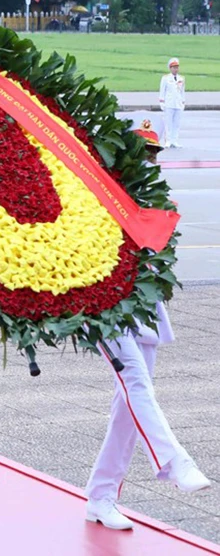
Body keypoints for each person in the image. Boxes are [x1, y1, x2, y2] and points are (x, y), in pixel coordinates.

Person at [83, 120, 210, 531]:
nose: (150, 163)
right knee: (135, 384)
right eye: (143, 154)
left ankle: (101, 496)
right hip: (105, 308)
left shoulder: (155, 199)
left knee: (128, 409)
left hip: (144, 311)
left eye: (154, 156)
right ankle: (175, 462)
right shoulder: (99, 196)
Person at [159, 57, 185, 148]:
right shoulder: (165, 78)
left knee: (176, 123)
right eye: (174, 67)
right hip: (169, 103)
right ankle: (168, 140)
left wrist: (183, 102)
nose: (175, 69)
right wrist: (161, 101)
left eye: (177, 67)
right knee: (168, 122)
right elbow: (162, 90)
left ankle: (175, 140)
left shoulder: (181, 78)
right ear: (170, 68)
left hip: (178, 103)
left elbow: (182, 91)